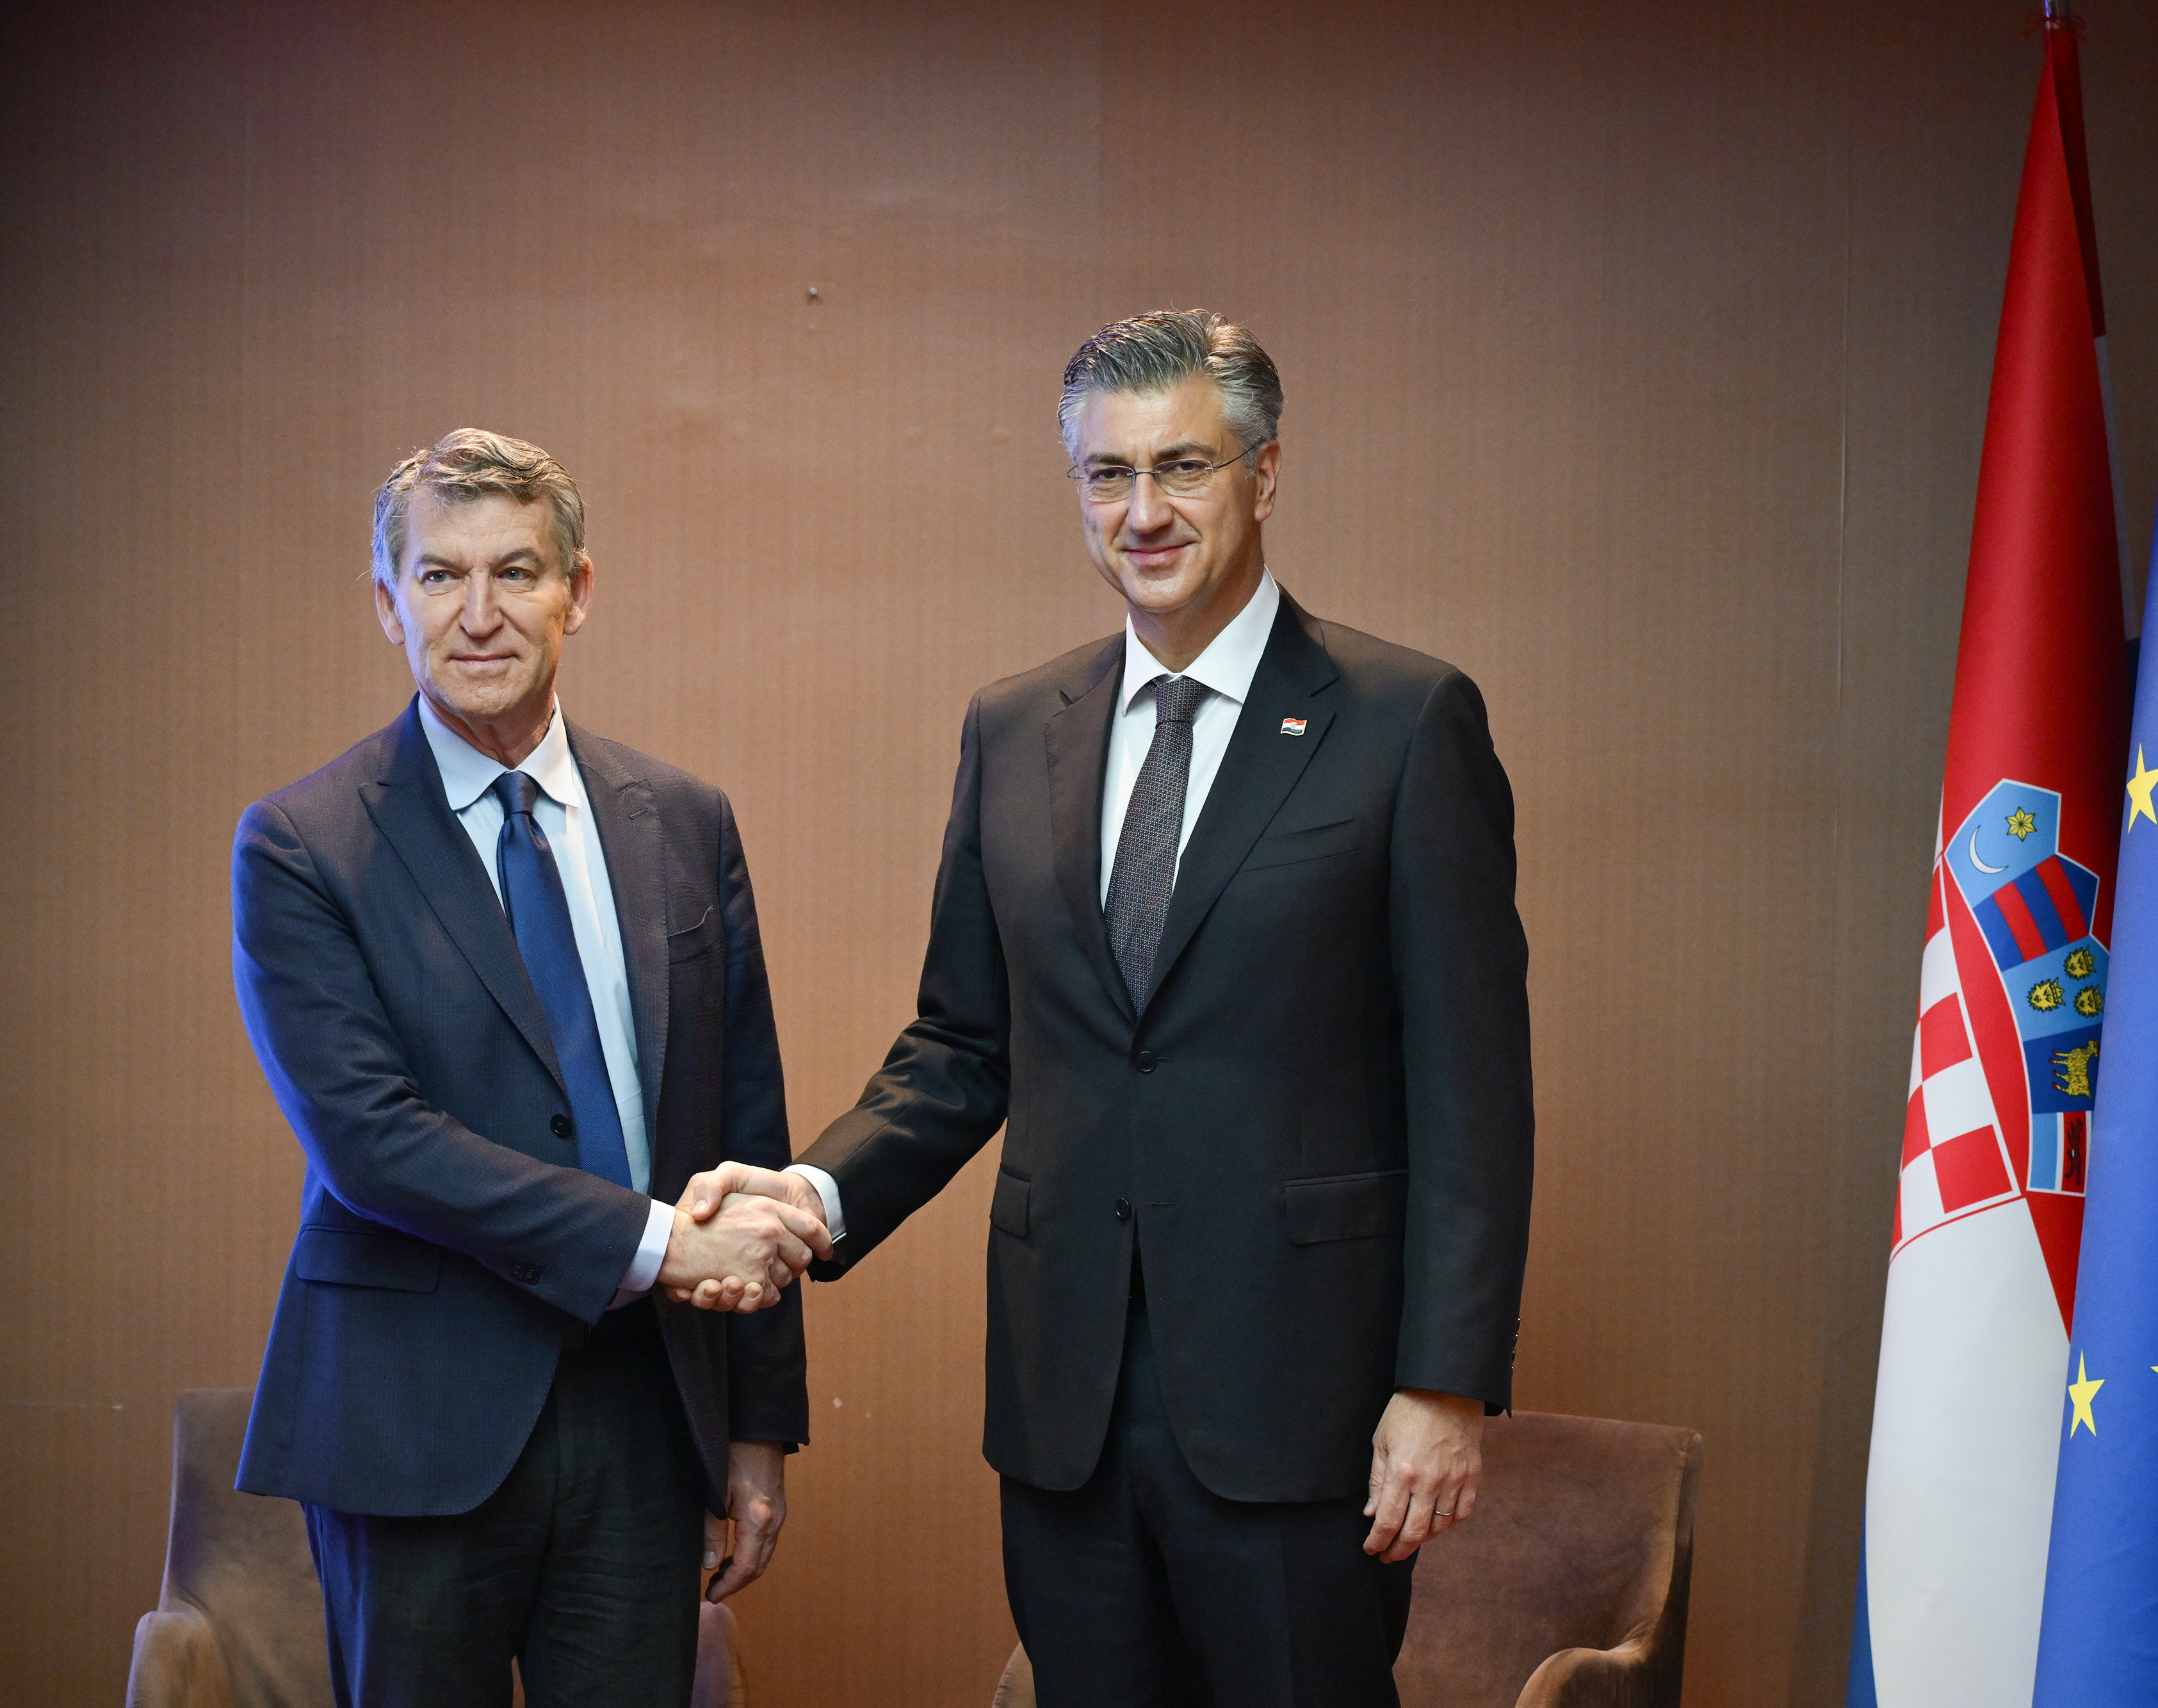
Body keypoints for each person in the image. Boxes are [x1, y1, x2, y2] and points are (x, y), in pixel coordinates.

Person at [681, 311, 1535, 1705]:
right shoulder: (1015, 726)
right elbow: (963, 1045)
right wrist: (807, 1200)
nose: (1142, 511)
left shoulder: (1404, 720)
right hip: (1062, 1400)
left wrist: (1440, 1386)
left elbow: (1472, 1089)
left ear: (1262, 473)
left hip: (1301, 1409)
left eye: (1181, 467)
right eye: (1104, 474)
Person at [229, 429, 829, 1708]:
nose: (481, 613)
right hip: (415, 1426)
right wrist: (667, 1242)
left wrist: (756, 1426)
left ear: (579, 590)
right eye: (440, 577)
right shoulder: (302, 843)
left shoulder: (685, 820)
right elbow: (373, 1141)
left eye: (516, 570)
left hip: (643, 1416)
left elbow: (746, 1128)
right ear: (389, 602)